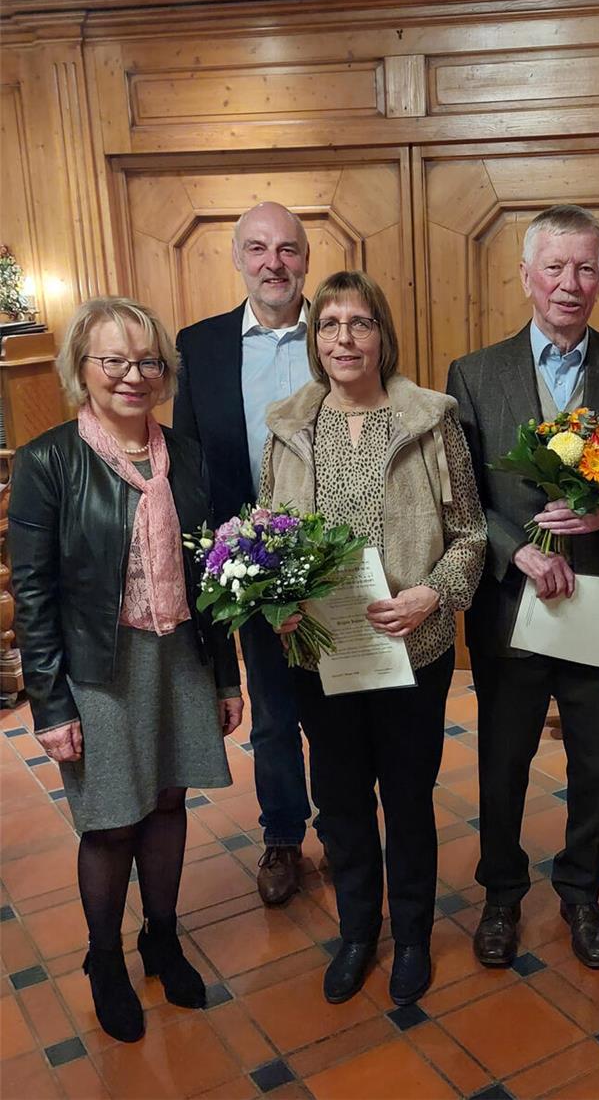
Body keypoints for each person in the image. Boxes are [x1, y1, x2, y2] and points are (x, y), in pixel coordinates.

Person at [9, 298, 243, 1044]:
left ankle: (161, 938)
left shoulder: (189, 456)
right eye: (114, 360)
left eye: (147, 361)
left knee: (169, 801)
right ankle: (104, 959)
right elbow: (34, 593)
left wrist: (227, 678)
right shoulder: (49, 462)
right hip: (99, 667)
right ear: (81, 367)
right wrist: (50, 704)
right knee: (112, 822)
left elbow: (215, 575)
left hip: (181, 656)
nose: (133, 376)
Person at [447, 204, 599, 970]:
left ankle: (581, 892)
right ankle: (501, 894)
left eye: (585, 268)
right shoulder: (475, 374)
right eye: (555, 267)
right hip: (512, 605)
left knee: (596, 761)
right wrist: (519, 553)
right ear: (526, 276)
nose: (569, 283)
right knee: (502, 761)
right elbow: (462, 495)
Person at [261, 269, 485, 1007]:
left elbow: (471, 534)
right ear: (314, 338)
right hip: (321, 655)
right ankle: (358, 931)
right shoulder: (289, 427)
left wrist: (432, 594)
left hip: (412, 651)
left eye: (359, 323)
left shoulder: (431, 420)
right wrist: (275, 603)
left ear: (383, 335)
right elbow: (267, 539)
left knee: (409, 796)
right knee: (341, 800)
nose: (344, 339)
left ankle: (413, 934)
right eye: (329, 325)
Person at [174, 201, 317, 906]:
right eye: (258, 248)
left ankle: (348, 827)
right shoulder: (199, 347)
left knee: (344, 708)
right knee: (273, 714)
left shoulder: (342, 331)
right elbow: (189, 460)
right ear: (238, 259)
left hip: (340, 561)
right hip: (253, 567)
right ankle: (283, 835)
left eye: (287, 249)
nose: (273, 263)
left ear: (306, 261)